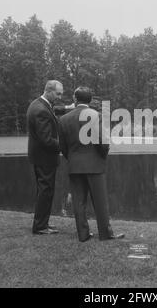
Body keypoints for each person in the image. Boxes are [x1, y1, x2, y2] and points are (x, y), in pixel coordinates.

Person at [59, 86, 125, 242]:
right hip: (95, 164)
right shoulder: (97, 116)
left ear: (75, 99)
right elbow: (104, 142)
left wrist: (73, 158)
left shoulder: (64, 119)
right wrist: (101, 157)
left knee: (78, 201)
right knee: (100, 202)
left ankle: (83, 234)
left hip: (75, 165)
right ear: (90, 100)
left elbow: (62, 146)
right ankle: (105, 234)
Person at [26, 80, 63, 234]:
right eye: (58, 93)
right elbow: (46, 140)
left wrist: (68, 108)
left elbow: (53, 112)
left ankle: (43, 223)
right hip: (44, 158)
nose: (60, 97)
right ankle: (40, 226)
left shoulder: (39, 104)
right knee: (45, 191)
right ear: (49, 91)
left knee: (44, 190)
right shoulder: (41, 110)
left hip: (40, 157)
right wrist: (65, 146)